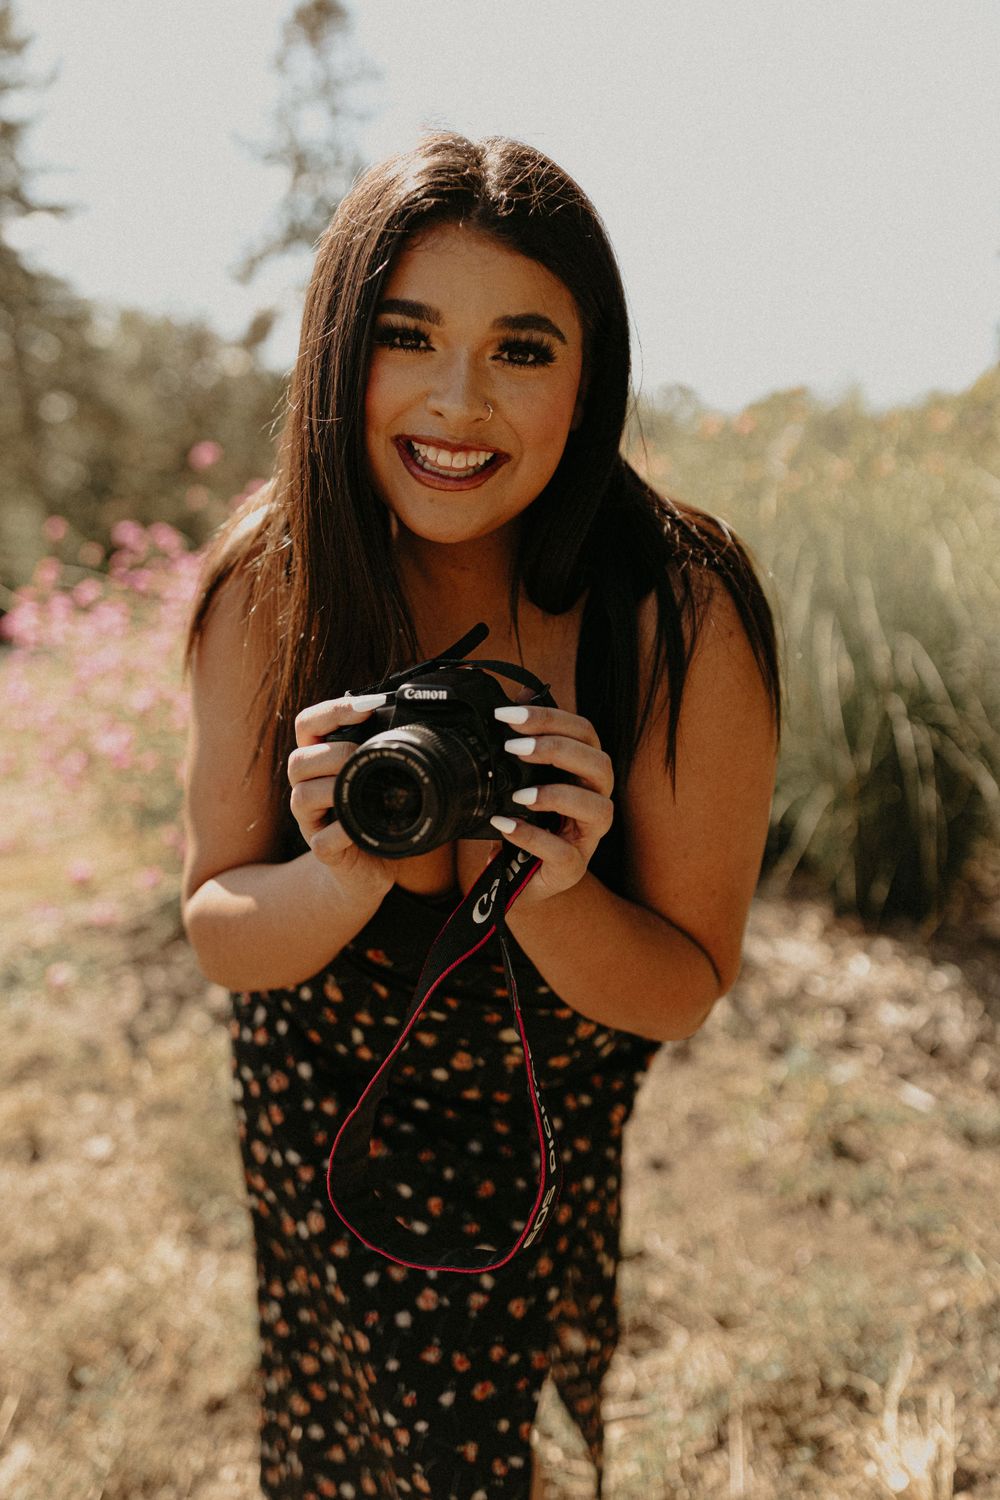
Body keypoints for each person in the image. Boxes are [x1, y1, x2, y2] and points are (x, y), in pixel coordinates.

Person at [181, 131, 781, 1500]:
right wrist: (338, 872)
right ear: (340, 353)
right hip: (316, 1127)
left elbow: (684, 985)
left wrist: (555, 888)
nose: (458, 404)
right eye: (407, 336)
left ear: (589, 378)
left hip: (544, 1150)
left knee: (516, 1460)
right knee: (333, 1451)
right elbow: (218, 926)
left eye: (522, 349)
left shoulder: (674, 607)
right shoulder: (271, 579)